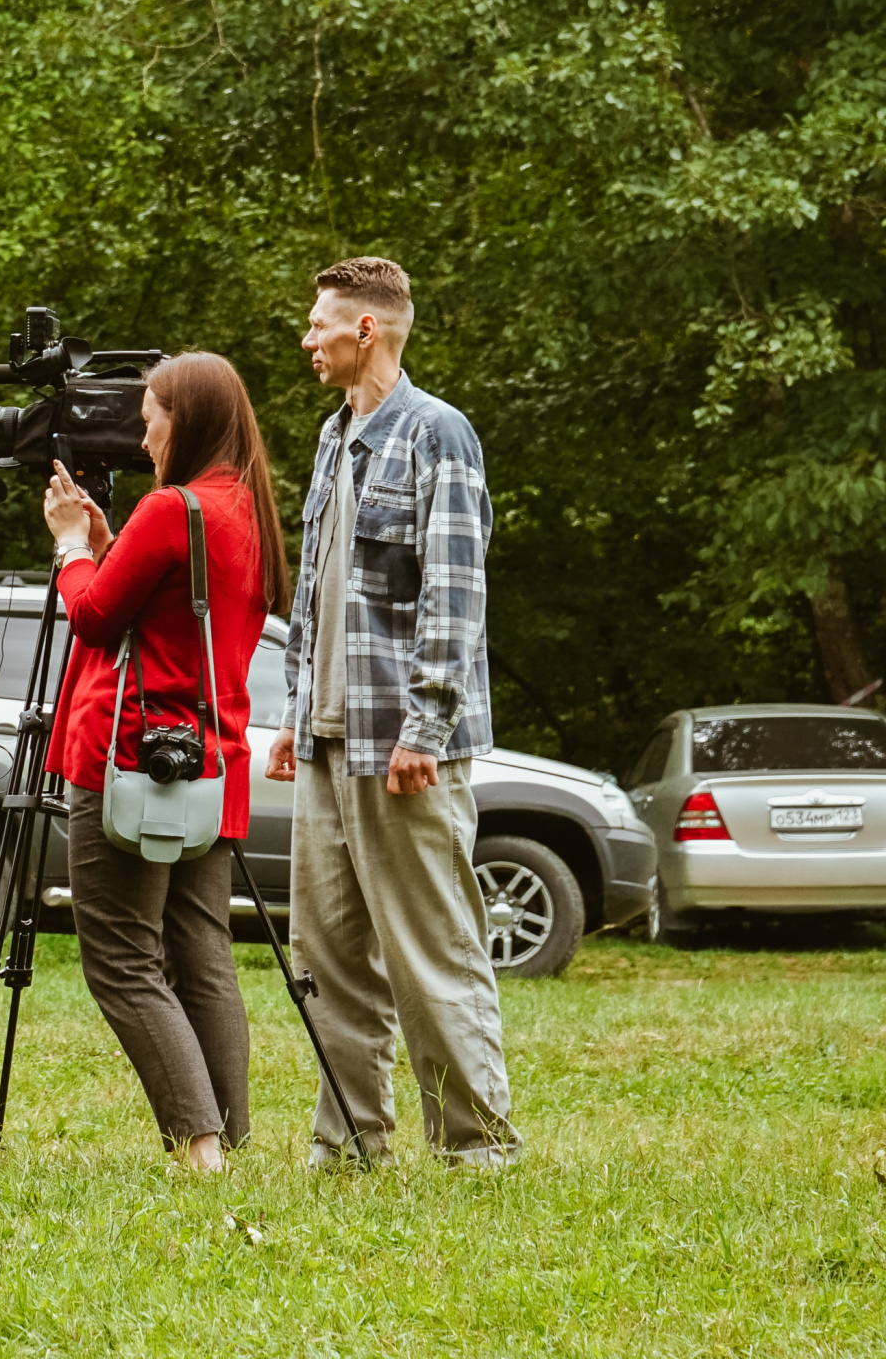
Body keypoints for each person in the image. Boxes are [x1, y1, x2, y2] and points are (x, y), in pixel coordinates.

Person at [263, 255, 520, 1171]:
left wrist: (427, 725)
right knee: (325, 957)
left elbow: (454, 594)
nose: (308, 338)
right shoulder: (334, 438)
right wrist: (295, 711)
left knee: (430, 950)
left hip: (404, 744)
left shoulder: (437, 433)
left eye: (319, 323)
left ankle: (476, 1149)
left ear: (365, 329)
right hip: (329, 741)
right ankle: (349, 1146)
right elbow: (315, 594)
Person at [41, 353, 290, 1174]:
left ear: (186, 423)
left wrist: (72, 548)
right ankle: (229, 1138)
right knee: (201, 952)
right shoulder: (246, 509)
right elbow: (171, 613)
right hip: (211, 764)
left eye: (151, 420)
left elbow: (93, 617)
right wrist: (110, 546)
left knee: (122, 959)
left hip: (131, 761)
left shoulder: (169, 508)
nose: (142, 437)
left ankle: (199, 1145)